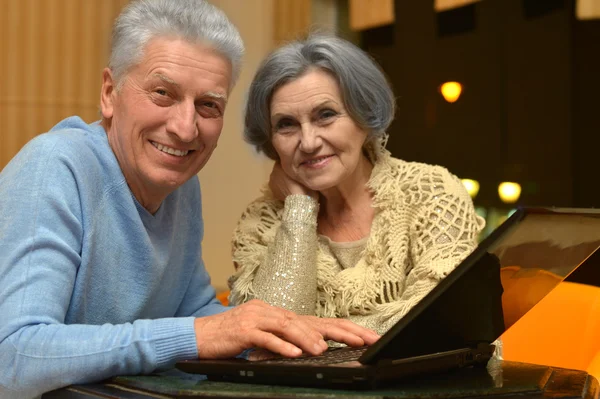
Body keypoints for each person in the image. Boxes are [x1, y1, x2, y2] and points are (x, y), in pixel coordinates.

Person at [0, 3, 379, 398]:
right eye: (163, 93)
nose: (185, 129)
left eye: (208, 105)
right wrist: (199, 334)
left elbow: (196, 312)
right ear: (109, 93)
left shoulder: (180, 187)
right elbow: (13, 356)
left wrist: (280, 334)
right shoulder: (53, 167)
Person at [228, 35, 486, 336]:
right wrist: (299, 209)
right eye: (286, 124)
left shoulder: (432, 192)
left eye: (325, 115)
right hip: (305, 385)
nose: (308, 142)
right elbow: (269, 337)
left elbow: (434, 323)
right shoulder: (260, 223)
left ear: (364, 116)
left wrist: (315, 330)